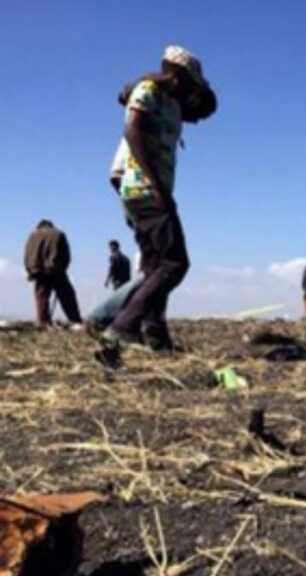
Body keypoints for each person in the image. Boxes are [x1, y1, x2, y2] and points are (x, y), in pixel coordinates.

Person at [100, 45, 216, 362]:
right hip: (145, 188)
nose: (194, 93)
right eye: (191, 83)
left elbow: (206, 107)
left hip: (151, 189)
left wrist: (196, 93)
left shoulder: (174, 103)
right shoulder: (149, 89)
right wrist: (151, 180)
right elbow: (132, 126)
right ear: (178, 76)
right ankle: (121, 325)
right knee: (175, 263)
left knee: (153, 266)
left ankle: (155, 333)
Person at [23, 220, 82, 328]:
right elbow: (66, 256)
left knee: (42, 297)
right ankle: (75, 320)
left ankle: (43, 322)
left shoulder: (33, 235)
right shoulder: (58, 234)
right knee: (67, 296)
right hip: (55, 270)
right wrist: (62, 269)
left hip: (38, 271)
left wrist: (30, 271)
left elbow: (27, 255)